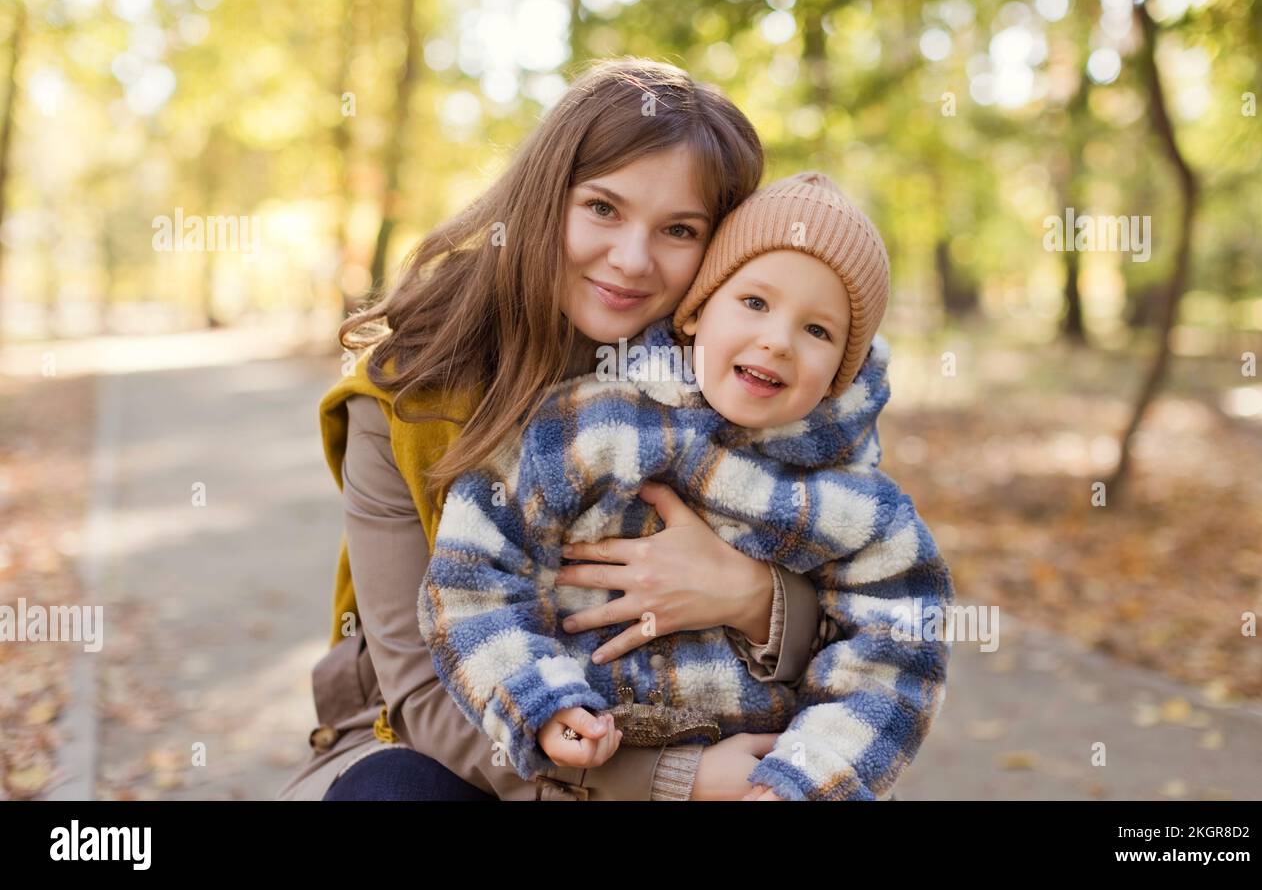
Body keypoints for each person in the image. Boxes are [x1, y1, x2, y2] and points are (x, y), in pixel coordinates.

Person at [277, 58, 833, 801]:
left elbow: (868, 615)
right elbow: (419, 696)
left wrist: (749, 596)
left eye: (678, 229)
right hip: (467, 753)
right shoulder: (405, 398)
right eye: (603, 208)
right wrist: (673, 780)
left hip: (700, 725)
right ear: (544, 199)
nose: (631, 260)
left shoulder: (743, 373)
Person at [420, 172, 953, 800]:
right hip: (587, 777)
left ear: (844, 368)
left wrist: (810, 775)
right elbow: (471, 576)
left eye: (818, 331)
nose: (777, 341)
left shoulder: (861, 510)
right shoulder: (592, 426)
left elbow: (897, 659)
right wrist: (539, 701)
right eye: (755, 303)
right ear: (697, 311)